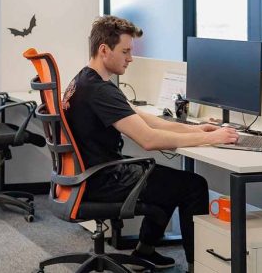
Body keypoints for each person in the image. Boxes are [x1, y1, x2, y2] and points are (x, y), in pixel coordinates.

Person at [63, 15, 238, 271]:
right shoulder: (100, 90)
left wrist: (195, 128)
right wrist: (210, 138)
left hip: (89, 174)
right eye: (125, 51)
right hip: (102, 180)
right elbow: (148, 139)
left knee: (161, 177)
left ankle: (144, 252)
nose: (130, 58)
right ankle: (197, 266)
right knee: (192, 185)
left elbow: (143, 118)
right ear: (104, 50)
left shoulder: (85, 79)